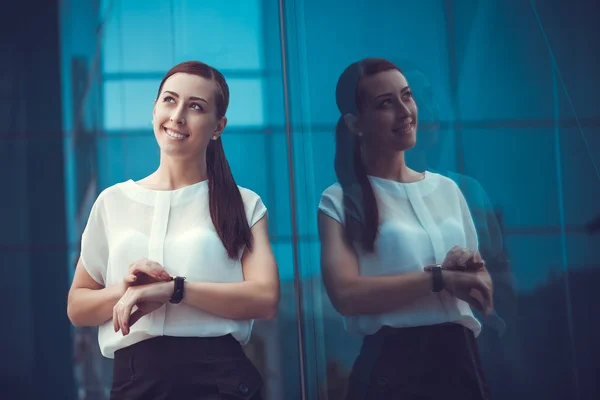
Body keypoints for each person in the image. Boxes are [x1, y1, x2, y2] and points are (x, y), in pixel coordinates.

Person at [67, 61, 280, 399]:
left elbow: (265, 298)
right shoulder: (112, 202)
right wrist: (126, 290)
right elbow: (77, 307)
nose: (178, 115)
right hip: (135, 381)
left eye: (196, 106)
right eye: (169, 100)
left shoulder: (244, 203)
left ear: (218, 127)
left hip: (220, 380)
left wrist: (174, 290)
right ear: (154, 110)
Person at [317, 58, 494, 399]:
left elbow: (481, 293)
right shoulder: (339, 199)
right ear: (355, 123)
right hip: (392, 368)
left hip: (460, 360)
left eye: (407, 96)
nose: (405, 111)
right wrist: (439, 279)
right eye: (386, 104)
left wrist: (471, 277)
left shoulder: (448, 190)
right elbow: (346, 295)